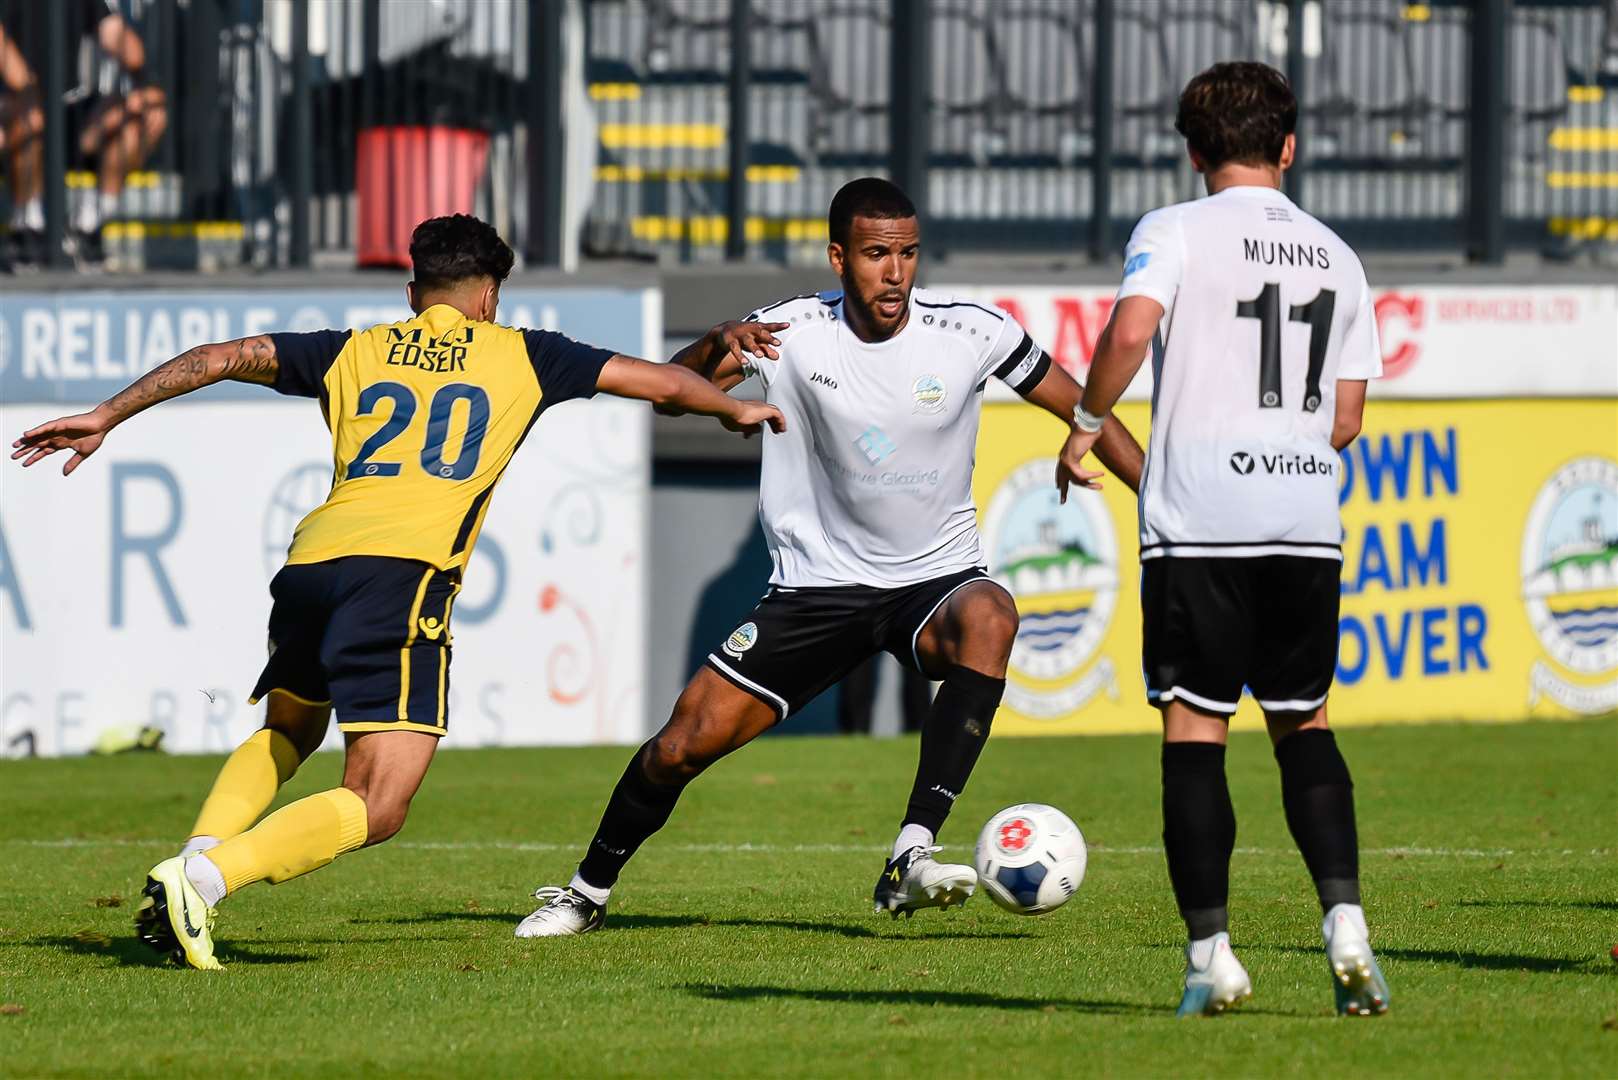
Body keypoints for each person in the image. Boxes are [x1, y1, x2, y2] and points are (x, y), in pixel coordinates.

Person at [9, 214, 784, 970]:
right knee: (379, 802)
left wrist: (107, 413)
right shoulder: (525, 353)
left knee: (290, 728)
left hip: (311, 565)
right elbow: (662, 386)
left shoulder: (352, 348)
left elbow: (217, 356)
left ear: (415, 291)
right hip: (403, 578)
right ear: (488, 296)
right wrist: (733, 406)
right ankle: (201, 882)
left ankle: (193, 865)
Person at [515, 178, 1144, 938]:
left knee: (992, 615)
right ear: (839, 257)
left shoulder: (971, 331)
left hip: (932, 580)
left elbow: (1083, 405)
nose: (897, 273)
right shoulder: (788, 330)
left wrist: (1159, 499)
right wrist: (717, 345)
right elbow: (672, 392)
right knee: (680, 745)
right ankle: (586, 892)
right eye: (878, 255)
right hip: (815, 590)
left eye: (909, 254)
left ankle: (911, 853)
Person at [1066, 62, 1388, 1017]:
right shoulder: (1337, 254)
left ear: (1193, 149)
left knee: (1195, 734)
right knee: (1307, 725)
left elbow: (1130, 332)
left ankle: (1212, 956)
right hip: (1302, 523)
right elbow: (1346, 420)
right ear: (1289, 148)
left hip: (1202, 519)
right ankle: (1347, 926)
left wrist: (1087, 421)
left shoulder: (1172, 229)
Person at [0, 0, 167, 265]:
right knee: (28, 115)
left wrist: (144, 88)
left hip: (67, 115)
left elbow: (126, 47)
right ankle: (27, 226)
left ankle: (89, 223)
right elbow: (16, 76)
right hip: (17, 115)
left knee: (147, 113)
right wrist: (33, 97)